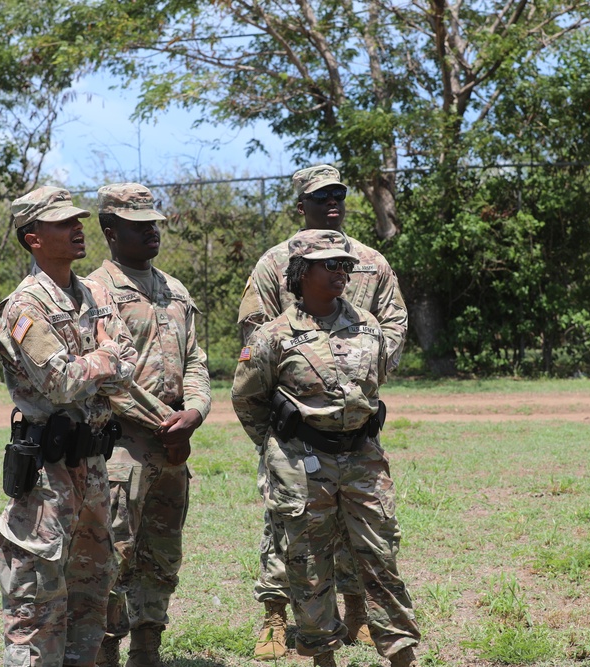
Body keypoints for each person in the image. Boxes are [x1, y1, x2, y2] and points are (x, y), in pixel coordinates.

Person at [237, 164, 408, 659]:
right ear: (301, 204)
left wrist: (360, 370)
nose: (332, 200)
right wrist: (295, 388)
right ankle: (275, 615)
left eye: (339, 192)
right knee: (293, 529)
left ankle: (358, 613)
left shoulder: (370, 259)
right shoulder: (275, 261)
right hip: (295, 421)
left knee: (368, 532)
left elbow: (392, 322)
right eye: (320, 195)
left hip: (354, 414)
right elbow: (255, 332)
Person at [0, 185, 163, 667]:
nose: (77, 228)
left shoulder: (92, 294)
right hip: (46, 475)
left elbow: (132, 364)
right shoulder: (25, 307)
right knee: (37, 603)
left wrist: (102, 359)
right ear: (33, 239)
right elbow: (61, 380)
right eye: (62, 223)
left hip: (93, 467)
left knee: (91, 597)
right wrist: (106, 355)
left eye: (77, 220)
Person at [88, 183, 211, 667]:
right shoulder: (95, 291)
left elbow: (195, 359)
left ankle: (147, 646)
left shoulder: (175, 290)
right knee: (112, 553)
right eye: (139, 227)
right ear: (110, 231)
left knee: (161, 551)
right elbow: (108, 377)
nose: (151, 234)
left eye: (154, 225)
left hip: (173, 446)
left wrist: (196, 411)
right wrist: (169, 422)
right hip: (122, 445)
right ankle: (103, 651)